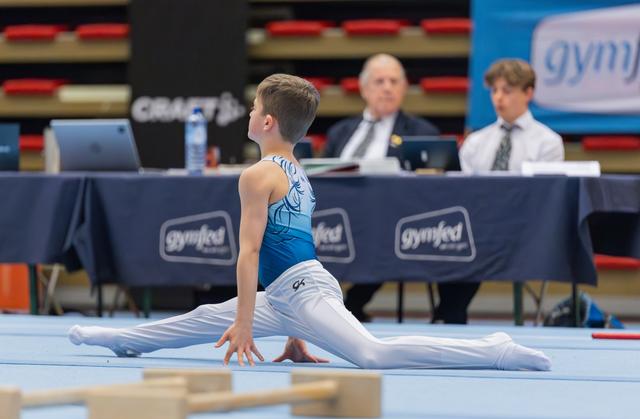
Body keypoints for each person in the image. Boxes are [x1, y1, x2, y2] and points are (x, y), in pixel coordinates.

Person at [68, 73, 551, 371]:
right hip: (290, 295)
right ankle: (119, 341)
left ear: (269, 122)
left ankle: (495, 349)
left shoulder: (257, 175)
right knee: (200, 319)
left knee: (372, 354)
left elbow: (251, 253)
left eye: (255, 108)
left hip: (304, 291)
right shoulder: (297, 169)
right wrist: (296, 335)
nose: (250, 113)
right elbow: (289, 248)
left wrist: (245, 324)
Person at [438, 59, 565, 324]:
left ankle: (446, 316)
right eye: (495, 91)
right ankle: (450, 317)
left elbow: (544, 199)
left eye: (507, 90)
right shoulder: (476, 141)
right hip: (477, 227)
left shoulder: (548, 143)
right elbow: (460, 191)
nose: (498, 98)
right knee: (446, 238)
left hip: (522, 230)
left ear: (528, 93)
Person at [324, 53, 439, 322]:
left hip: (388, 218)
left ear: (403, 88)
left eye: (394, 81)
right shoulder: (340, 131)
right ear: (364, 89)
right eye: (379, 81)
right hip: (333, 215)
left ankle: (352, 303)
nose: (387, 87)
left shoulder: (422, 132)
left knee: (382, 233)